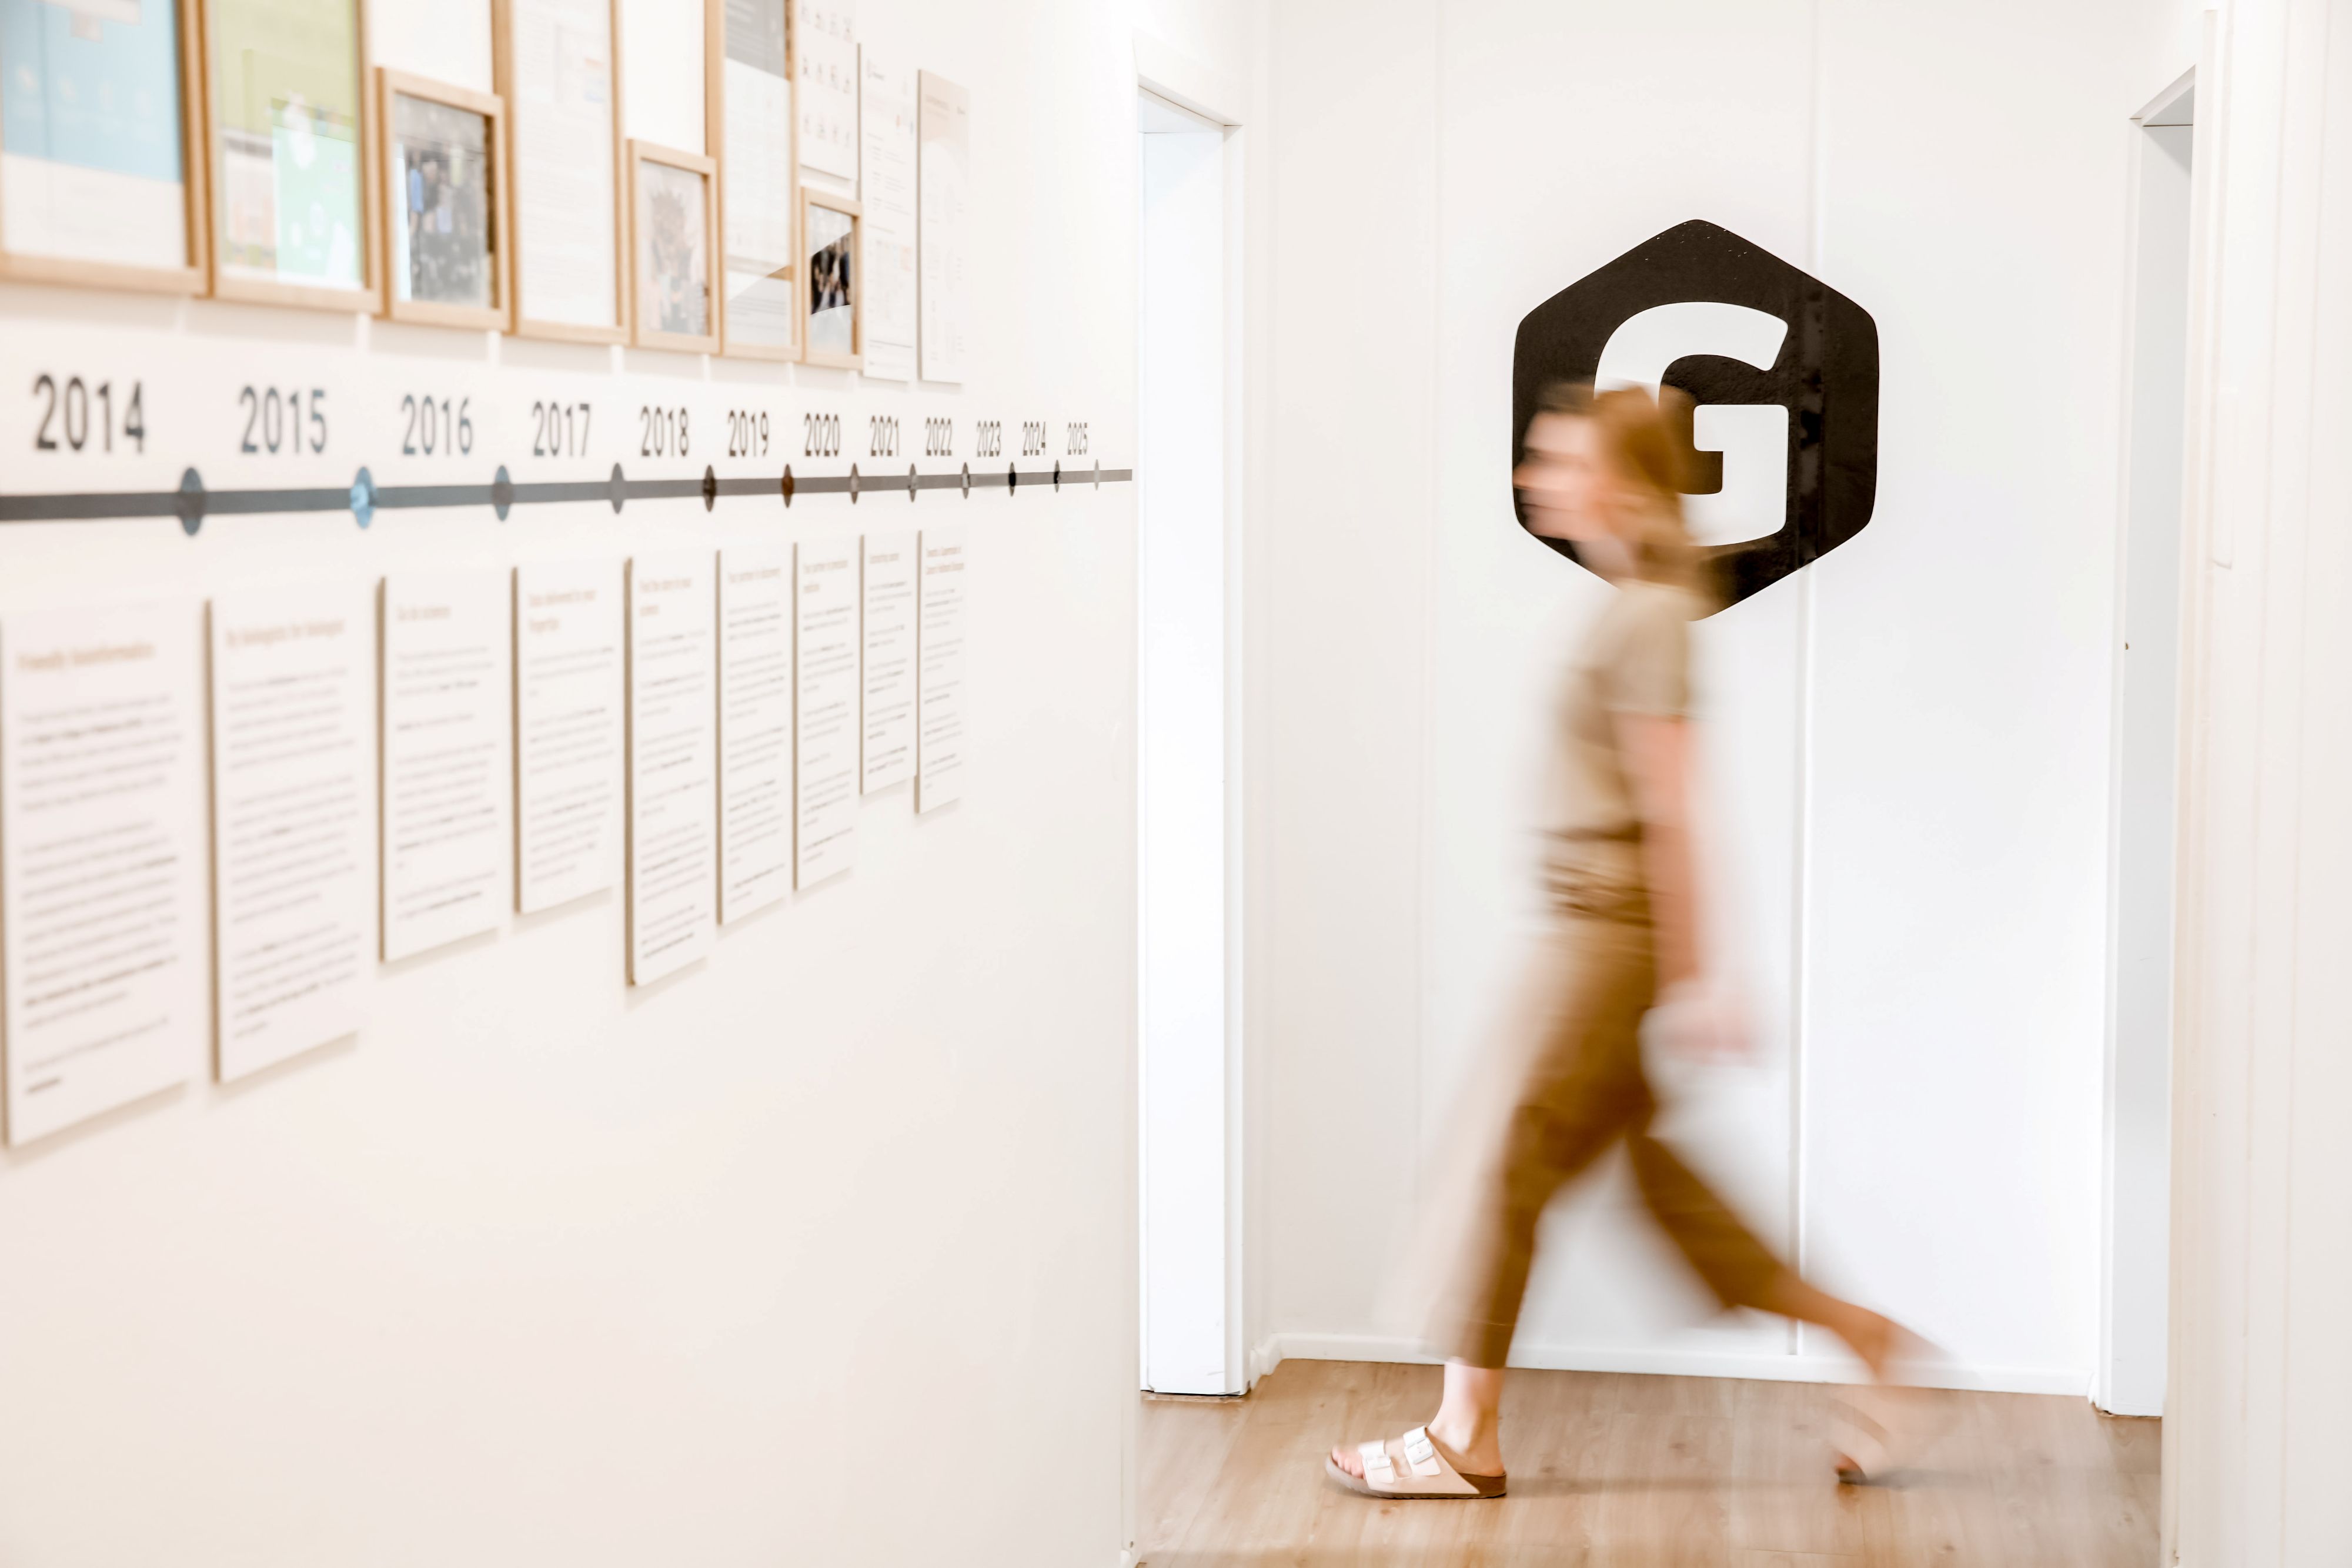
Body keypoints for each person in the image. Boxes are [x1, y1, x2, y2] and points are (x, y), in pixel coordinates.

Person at [1325, 383, 1924, 1503]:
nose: (1536, 477)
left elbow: (1674, 806)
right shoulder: (1637, 605)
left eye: (1564, 460)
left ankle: (1465, 1436)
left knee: (1505, 1162)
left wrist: (1698, 974)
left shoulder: (1650, 617)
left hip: (1605, 939)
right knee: (1667, 1194)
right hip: (1586, 929)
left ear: (1627, 485)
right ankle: (1869, 1339)